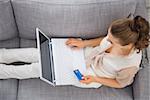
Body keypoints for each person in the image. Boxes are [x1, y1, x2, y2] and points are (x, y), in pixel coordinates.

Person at [0, 16, 149, 89]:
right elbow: (102, 40)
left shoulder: (130, 66)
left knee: (38, 68)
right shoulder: (122, 34)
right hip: (85, 54)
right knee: (39, 53)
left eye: (111, 40)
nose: (107, 39)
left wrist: (94, 80)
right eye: (108, 36)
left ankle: (3, 72)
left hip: (91, 74)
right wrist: (83, 43)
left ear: (125, 45)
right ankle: (3, 55)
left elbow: (119, 83)